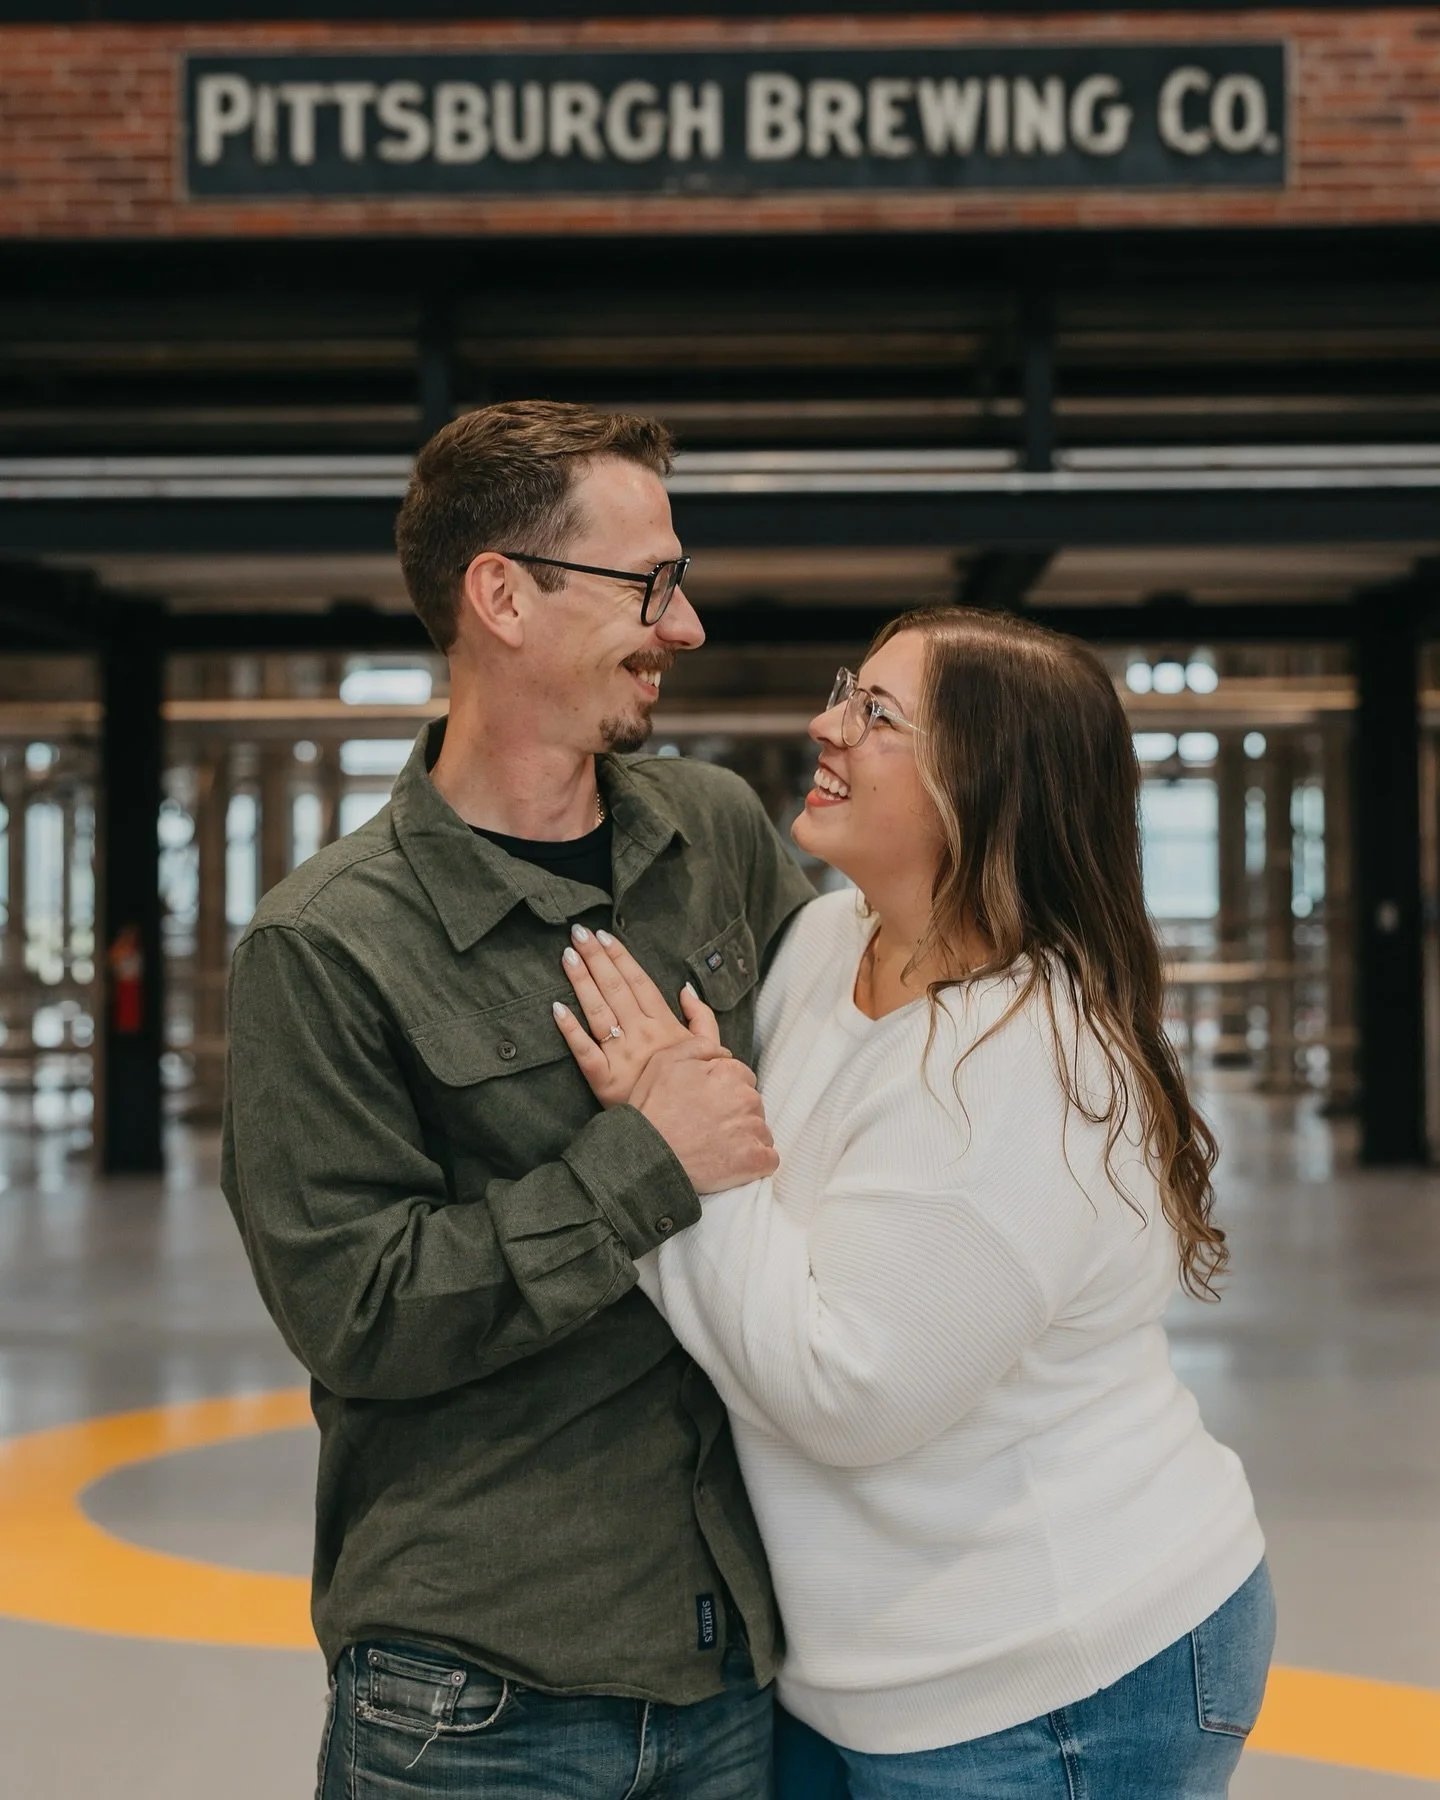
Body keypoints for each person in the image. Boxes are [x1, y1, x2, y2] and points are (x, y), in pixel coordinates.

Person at [553, 605, 1275, 1799]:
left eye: (875, 715)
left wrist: (667, 1155)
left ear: (980, 788)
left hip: (1052, 1680)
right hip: (866, 1669)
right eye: (847, 689)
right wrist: (686, 1149)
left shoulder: (1028, 1065)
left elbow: (847, 1389)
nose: (823, 724)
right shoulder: (833, 941)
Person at [221, 400, 815, 1800]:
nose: (686, 626)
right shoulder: (325, 945)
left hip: (735, 1659)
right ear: (503, 593)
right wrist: (646, 1161)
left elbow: (839, 1107)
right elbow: (358, 1311)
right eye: (649, 584)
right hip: (477, 1695)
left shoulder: (715, 834)